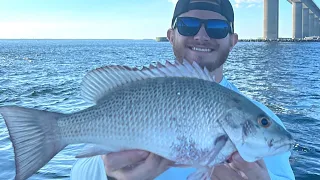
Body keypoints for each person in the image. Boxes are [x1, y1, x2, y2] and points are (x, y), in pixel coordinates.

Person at [70, 0, 295, 179]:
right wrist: (108, 175)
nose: (201, 36)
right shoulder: (252, 115)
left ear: (233, 41)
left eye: (217, 28)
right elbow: (78, 173)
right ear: (171, 36)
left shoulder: (266, 122)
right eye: (188, 25)